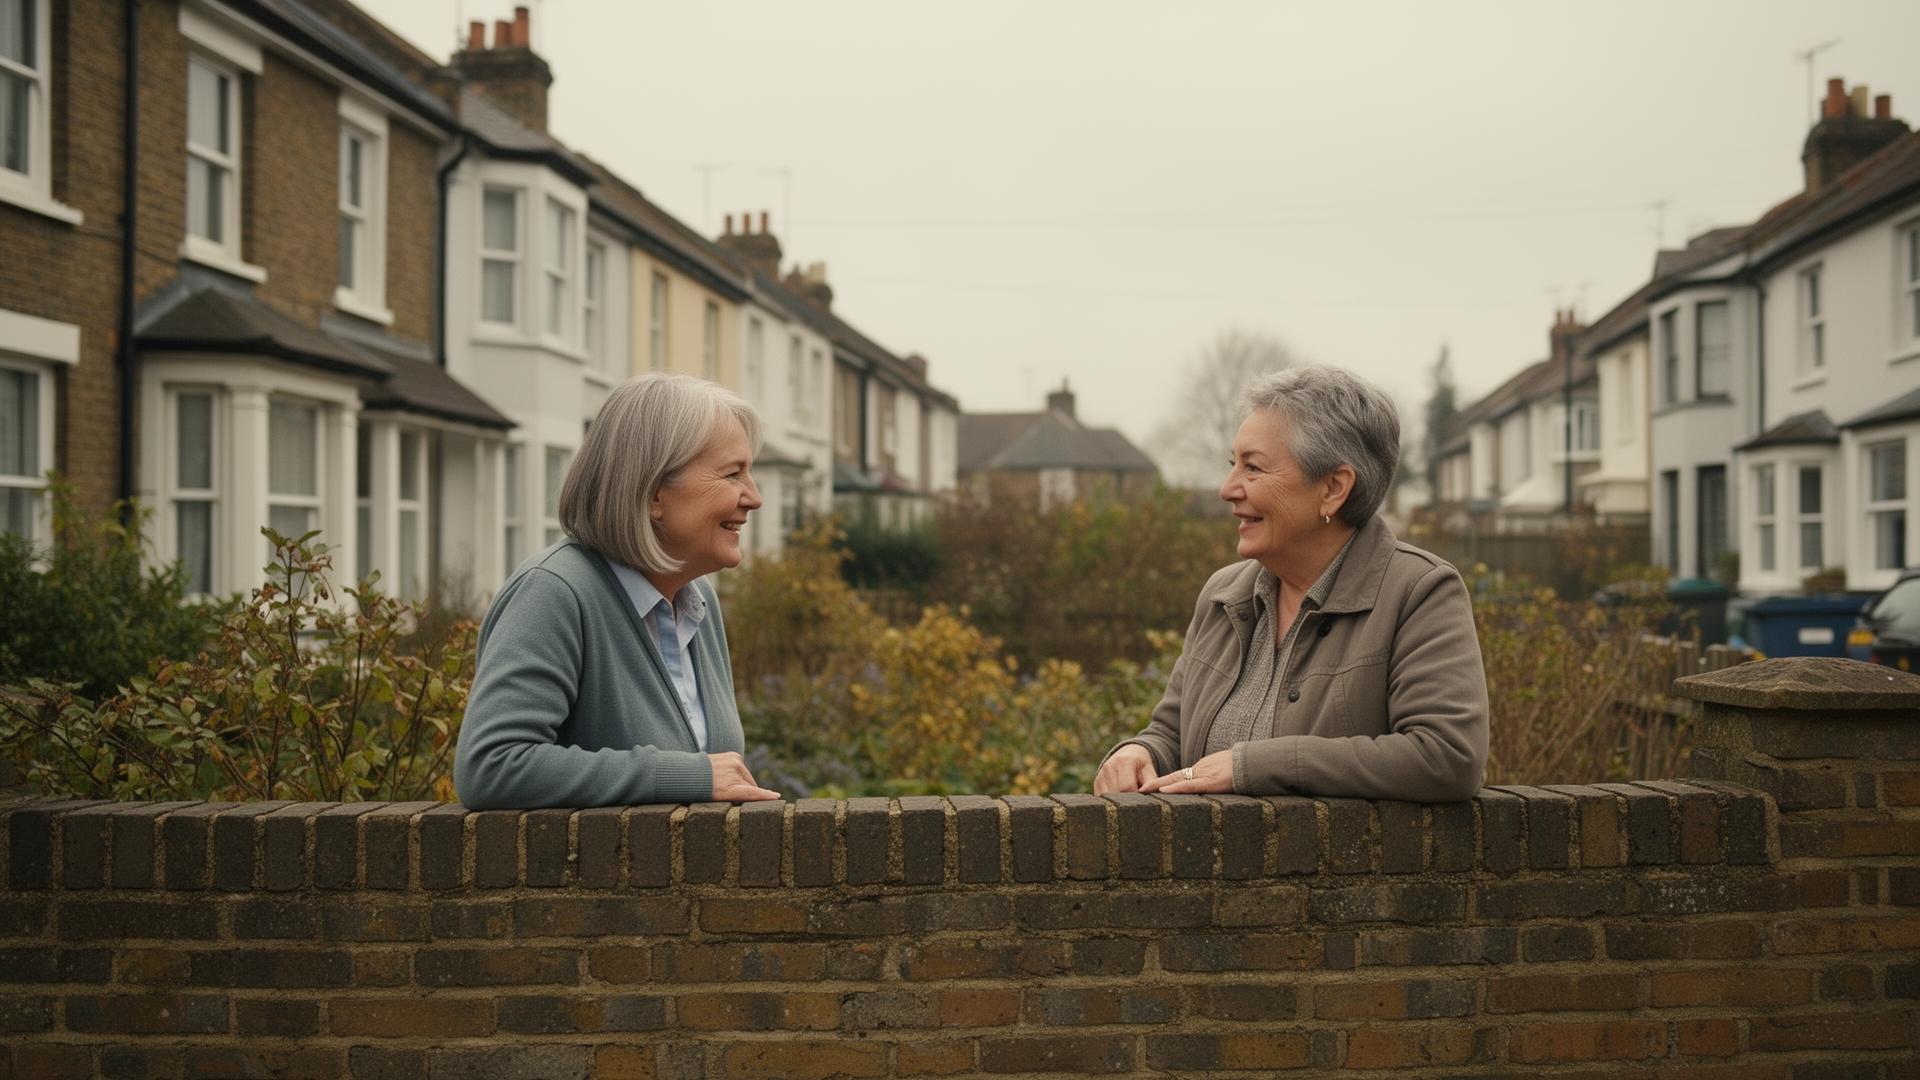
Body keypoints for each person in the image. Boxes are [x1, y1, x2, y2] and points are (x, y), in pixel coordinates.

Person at [1095, 365, 1488, 802]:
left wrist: (1256, 766)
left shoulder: (1419, 594)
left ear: (1333, 488)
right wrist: (1140, 751)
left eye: (1253, 469)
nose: (1228, 489)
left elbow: (1448, 757)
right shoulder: (1223, 596)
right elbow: (1173, 732)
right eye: (1233, 465)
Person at [455, 373, 780, 809]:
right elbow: (492, 765)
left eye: (750, 473)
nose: (753, 497)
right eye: (732, 474)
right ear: (652, 494)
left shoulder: (698, 600)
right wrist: (682, 775)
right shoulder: (555, 592)